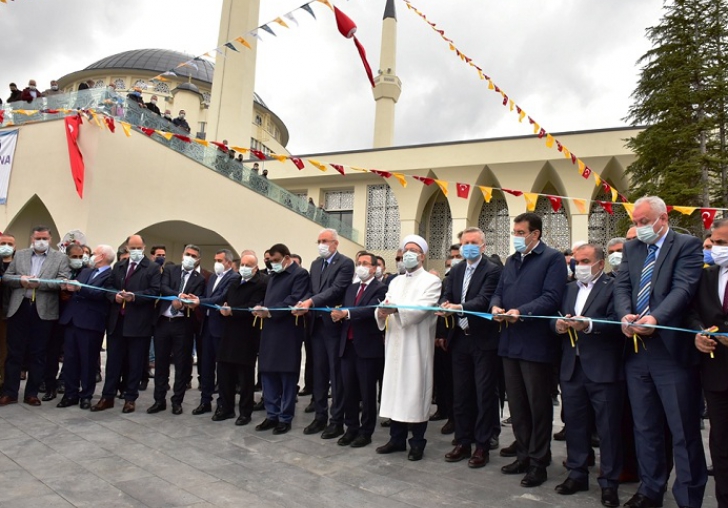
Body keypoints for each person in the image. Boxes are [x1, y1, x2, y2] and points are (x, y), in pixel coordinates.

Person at [614, 195, 706, 508]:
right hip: (637, 351)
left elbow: (683, 289)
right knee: (645, 426)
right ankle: (650, 489)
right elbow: (622, 287)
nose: (639, 229)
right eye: (636, 223)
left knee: (683, 429)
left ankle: (689, 496)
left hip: (671, 352)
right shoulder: (631, 248)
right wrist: (625, 314)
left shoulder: (686, 246)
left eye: (644, 222)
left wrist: (655, 318)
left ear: (662, 219)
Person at [491, 212, 567, 487]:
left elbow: (552, 297)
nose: (516, 237)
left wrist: (520, 312)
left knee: (538, 405)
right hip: (509, 342)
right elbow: (499, 291)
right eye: (515, 232)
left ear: (535, 234)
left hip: (536, 343)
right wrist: (496, 307)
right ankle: (523, 454)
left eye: (521, 233)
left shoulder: (552, 259)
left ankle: (539, 461)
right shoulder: (512, 261)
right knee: (518, 405)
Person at [552, 243, 624, 507]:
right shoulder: (569, 289)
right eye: (577, 261)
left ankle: (609, 482)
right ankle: (577, 473)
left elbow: (618, 321)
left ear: (600, 264)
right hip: (572, 367)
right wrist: (558, 325)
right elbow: (553, 317)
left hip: (602, 369)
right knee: (575, 424)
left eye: (585, 261)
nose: (579, 266)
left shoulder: (614, 287)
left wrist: (589, 324)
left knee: (607, 429)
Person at [438, 227, 503, 469]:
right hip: (460, 340)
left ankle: (482, 446)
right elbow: (446, 294)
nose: (469, 246)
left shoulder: (492, 270)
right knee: (461, 393)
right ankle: (463, 441)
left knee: (484, 394)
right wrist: (445, 304)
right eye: (465, 242)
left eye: (474, 242)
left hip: (483, 341)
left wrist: (458, 306)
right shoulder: (456, 270)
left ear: (483, 246)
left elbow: (484, 301)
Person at [374, 234, 442, 461]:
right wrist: (381, 311)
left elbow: (423, 309)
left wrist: (396, 311)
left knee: (414, 392)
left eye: (414, 250)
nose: (408, 253)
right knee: (394, 391)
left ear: (422, 255)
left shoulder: (431, 281)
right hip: (394, 343)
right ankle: (396, 439)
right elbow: (386, 301)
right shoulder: (395, 281)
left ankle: (417, 443)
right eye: (406, 250)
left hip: (416, 344)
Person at [0, 226, 70, 406]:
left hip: (44, 310)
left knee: (38, 353)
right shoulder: (21, 255)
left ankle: (32, 393)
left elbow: (63, 280)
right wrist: (21, 280)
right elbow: (7, 277)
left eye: (44, 238)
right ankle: (10, 392)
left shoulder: (60, 258)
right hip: (20, 307)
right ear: (32, 239)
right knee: (14, 352)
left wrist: (40, 284)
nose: (41, 241)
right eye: (38, 238)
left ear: (50, 239)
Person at [295, 229, 355, 439]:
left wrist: (311, 302)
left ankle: (336, 420)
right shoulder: (315, 264)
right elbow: (312, 290)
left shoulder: (345, 263)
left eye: (325, 241)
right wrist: (304, 303)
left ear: (335, 244)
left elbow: (336, 290)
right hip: (315, 325)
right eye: (318, 241)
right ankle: (319, 416)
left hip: (334, 326)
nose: (321, 244)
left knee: (335, 374)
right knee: (318, 373)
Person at [91, 235, 161, 414]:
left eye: (139, 247)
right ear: (127, 248)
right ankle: (108, 396)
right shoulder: (119, 266)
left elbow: (154, 291)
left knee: (135, 363)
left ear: (144, 247)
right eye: (132, 247)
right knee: (113, 362)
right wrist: (114, 296)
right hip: (118, 321)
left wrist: (135, 297)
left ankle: (130, 398)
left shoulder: (151, 268)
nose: (136, 251)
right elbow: (109, 286)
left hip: (138, 323)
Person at [689, 217, 728, 508]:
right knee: (721, 441)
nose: (716, 249)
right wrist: (697, 335)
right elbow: (693, 313)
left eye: (723, 243)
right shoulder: (708, 276)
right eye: (715, 243)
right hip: (716, 372)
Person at [330, 252, 387, 448]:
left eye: (364, 263)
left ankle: (366, 431)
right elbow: (344, 308)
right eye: (358, 263)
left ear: (373, 268)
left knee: (367, 392)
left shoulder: (381, 288)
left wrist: (346, 314)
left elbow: (372, 310)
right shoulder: (351, 288)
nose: (360, 266)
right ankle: (350, 428)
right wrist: (338, 315)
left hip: (368, 348)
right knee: (349, 390)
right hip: (348, 345)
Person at [253, 243, 311, 434]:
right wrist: (261, 307)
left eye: (277, 260)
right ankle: (271, 415)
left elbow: (294, 299)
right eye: (271, 261)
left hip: (287, 332)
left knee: (286, 376)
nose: (273, 264)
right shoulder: (273, 276)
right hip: (269, 330)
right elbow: (269, 299)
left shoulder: (299, 274)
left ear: (286, 258)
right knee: (268, 373)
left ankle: (285, 418)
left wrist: (269, 311)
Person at [147, 245, 206, 415]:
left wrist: (186, 302)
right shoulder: (170, 270)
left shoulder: (199, 279)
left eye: (193, 256)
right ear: (182, 255)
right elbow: (163, 287)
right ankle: (159, 400)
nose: (189, 257)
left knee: (181, 365)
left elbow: (197, 299)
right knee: (161, 363)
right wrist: (177, 296)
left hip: (183, 324)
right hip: (164, 322)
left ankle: (177, 401)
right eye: (187, 254)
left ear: (198, 260)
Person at [57, 245, 115, 409]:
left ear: (102, 256)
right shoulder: (85, 271)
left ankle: (86, 395)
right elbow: (76, 291)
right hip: (72, 320)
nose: (90, 256)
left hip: (91, 323)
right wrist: (68, 287)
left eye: (94, 253)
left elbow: (100, 294)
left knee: (88, 361)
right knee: (70, 360)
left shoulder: (110, 276)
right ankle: (70, 394)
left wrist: (79, 287)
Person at [216, 253, 267, 425]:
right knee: (224, 374)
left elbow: (252, 306)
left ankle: (245, 412)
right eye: (243, 264)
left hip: (247, 335)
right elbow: (225, 300)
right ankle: (226, 408)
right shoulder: (234, 282)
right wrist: (224, 307)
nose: (244, 267)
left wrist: (232, 310)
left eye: (248, 265)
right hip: (228, 332)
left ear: (255, 268)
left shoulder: (260, 283)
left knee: (245, 378)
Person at [188, 249, 238, 415]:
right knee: (206, 367)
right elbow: (205, 296)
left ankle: (223, 403)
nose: (216, 262)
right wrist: (193, 299)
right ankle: (205, 401)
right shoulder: (213, 278)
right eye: (215, 259)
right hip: (207, 327)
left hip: (222, 329)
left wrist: (199, 301)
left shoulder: (234, 278)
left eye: (220, 260)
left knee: (223, 370)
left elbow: (221, 298)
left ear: (229, 263)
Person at [42, 243, 86, 401]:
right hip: (56, 315)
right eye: (74, 257)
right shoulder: (60, 269)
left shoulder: (85, 271)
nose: (78, 260)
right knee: (52, 352)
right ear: (67, 256)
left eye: (80, 257)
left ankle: (65, 382)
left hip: (76, 319)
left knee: (72, 354)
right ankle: (49, 385)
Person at [0, 233, 16, 391]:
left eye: (10, 244)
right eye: (3, 243)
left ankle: (4, 383)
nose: (6, 247)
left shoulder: (18, 264)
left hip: (8, 313)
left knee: (5, 351)